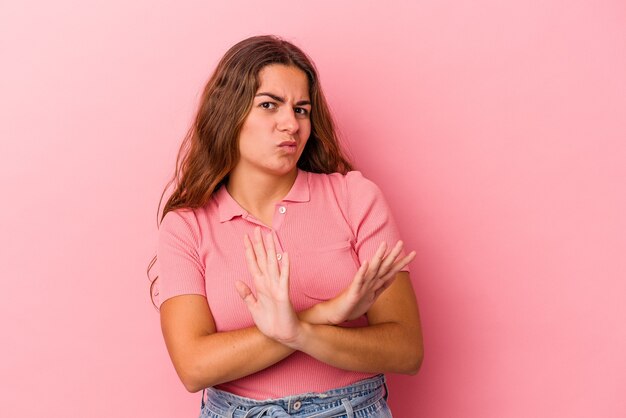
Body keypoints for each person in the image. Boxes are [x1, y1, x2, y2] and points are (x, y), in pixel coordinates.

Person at [148, 34, 424, 417]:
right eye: (269, 105)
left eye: (301, 110)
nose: (290, 124)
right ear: (230, 113)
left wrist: (299, 331)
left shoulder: (354, 197)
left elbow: (405, 350)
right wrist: (324, 313)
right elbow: (194, 367)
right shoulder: (187, 226)